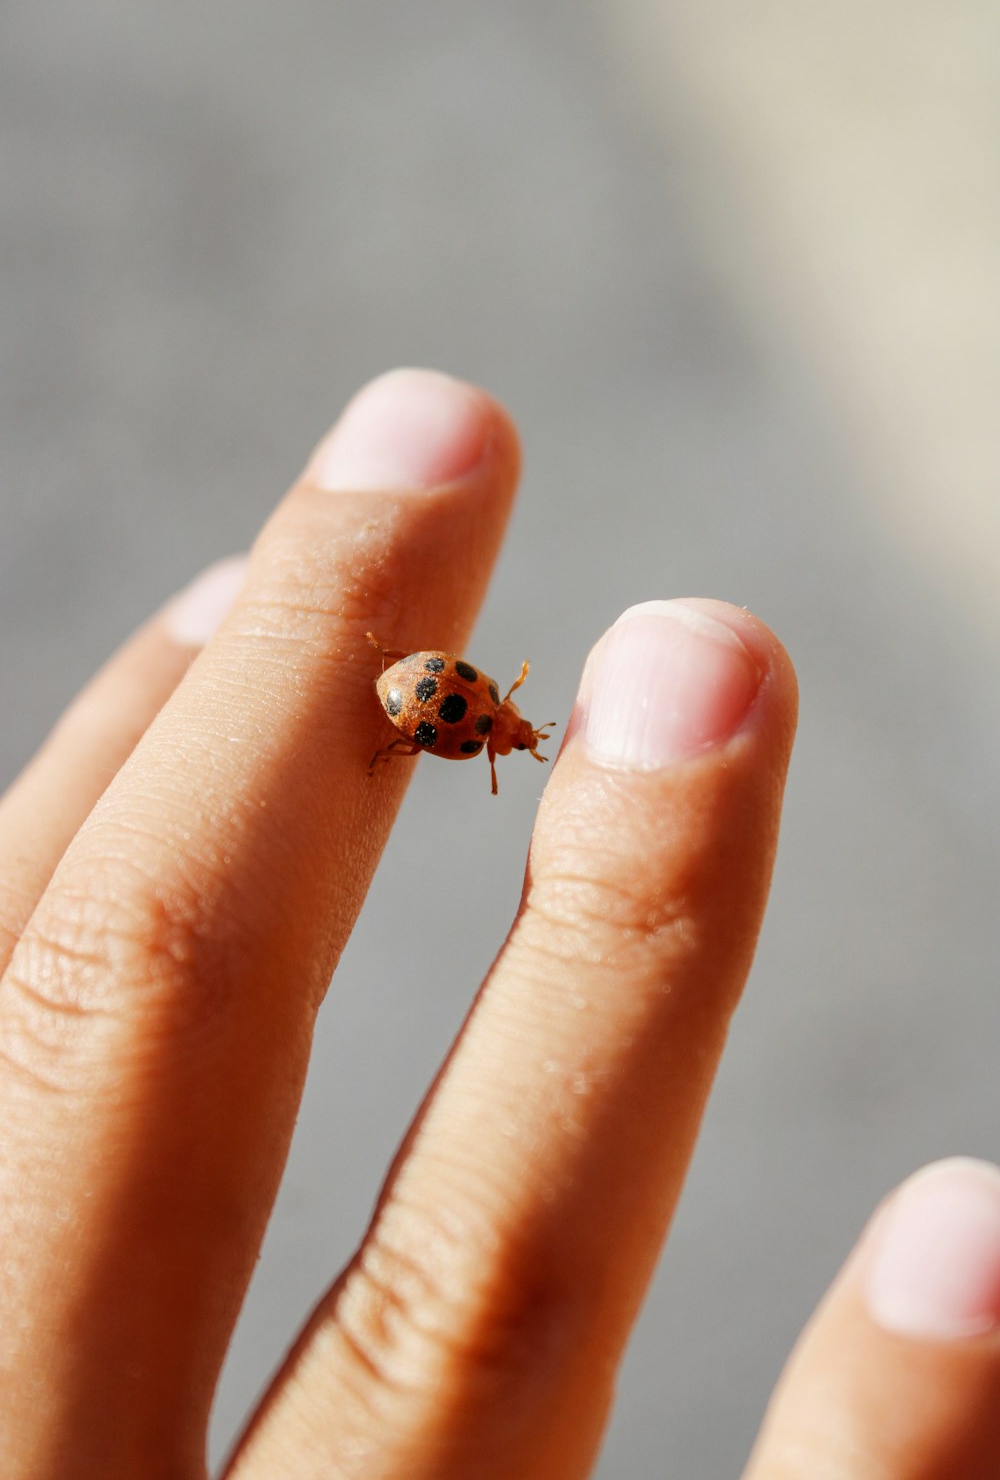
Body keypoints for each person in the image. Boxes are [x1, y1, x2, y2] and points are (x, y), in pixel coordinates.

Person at [1, 368, 997, 1479]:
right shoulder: (472, 733)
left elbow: (439, 704)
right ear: (504, 725)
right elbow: (434, 705)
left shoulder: (472, 729)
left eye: (512, 727)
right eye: (516, 728)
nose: (518, 733)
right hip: (397, 692)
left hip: (399, 689)